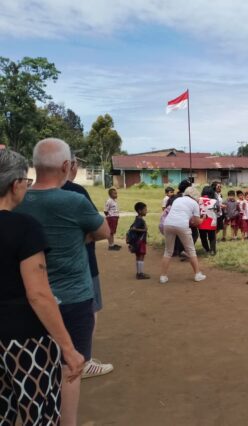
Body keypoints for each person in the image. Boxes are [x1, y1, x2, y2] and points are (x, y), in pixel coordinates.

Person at [14, 138, 111, 425]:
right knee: (70, 367)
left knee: (35, 367)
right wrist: (81, 235)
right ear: (67, 166)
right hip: (72, 299)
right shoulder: (74, 200)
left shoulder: (18, 199)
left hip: (28, 298)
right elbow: (104, 231)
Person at [0, 148, 85, 425]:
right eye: (26, 181)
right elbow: (38, 294)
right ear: (16, 184)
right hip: (24, 340)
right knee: (39, 414)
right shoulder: (24, 227)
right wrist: (68, 348)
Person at [61, 155, 114, 379]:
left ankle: (63, 357)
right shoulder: (76, 191)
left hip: (49, 268)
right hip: (83, 264)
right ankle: (85, 361)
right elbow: (102, 230)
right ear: (68, 166)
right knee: (88, 311)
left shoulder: (33, 193)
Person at [160, 186, 207, 284]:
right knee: (191, 250)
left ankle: (163, 276)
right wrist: (203, 219)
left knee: (168, 251)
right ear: (195, 195)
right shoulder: (194, 203)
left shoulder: (177, 199)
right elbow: (196, 222)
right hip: (182, 225)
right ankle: (197, 274)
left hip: (167, 224)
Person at [128, 202, 150, 279]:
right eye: (145, 210)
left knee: (138, 256)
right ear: (140, 211)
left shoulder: (138, 219)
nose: (146, 211)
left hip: (137, 241)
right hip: (140, 241)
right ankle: (140, 273)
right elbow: (133, 228)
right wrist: (144, 230)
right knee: (141, 256)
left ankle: (138, 273)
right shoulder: (139, 220)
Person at [198, 186, 217, 256]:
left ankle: (206, 249)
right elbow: (217, 210)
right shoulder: (214, 201)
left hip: (201, 221)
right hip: (212, 221)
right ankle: (212, 250)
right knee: (212, 237)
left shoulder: (198, 200)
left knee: (203, 237)